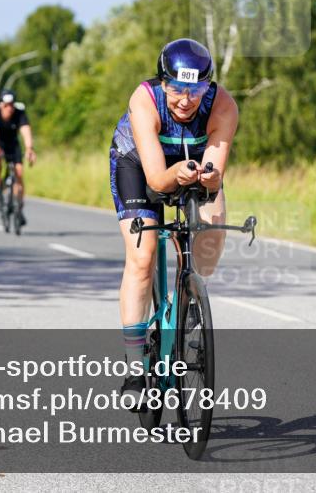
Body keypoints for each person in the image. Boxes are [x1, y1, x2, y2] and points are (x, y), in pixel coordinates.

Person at [108, 38, 239, 404]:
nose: (185, 99)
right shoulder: (144, 99)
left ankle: (186, 299)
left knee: (210, 236)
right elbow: (156, 181)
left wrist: (211, 178)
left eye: (195, 89)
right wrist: (176, 173)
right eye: (176, 89)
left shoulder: (223, 105)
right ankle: (135, 369)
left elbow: (215, 169)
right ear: (162, 83)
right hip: (139, 164)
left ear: (208, 86)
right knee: (143, 255)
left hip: (191, 164)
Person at [0, 89, 36, 225]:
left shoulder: (19, 113)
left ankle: (19, 207)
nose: (9, 108)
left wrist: (29, 148)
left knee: (19, 172)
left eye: (12, 105)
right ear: (1, 105)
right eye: (6, 105)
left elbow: (25, 131)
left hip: (13, 145)